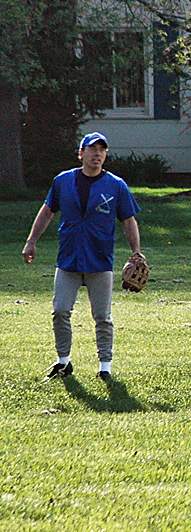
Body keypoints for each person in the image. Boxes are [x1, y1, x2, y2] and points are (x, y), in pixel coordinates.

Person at [22, 132, 143, 381]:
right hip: (69, 258)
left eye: (102, 150)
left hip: (100, 259)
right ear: (81, 153)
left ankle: (105, 367)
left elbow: (128, 220)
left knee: (102, 317)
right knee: (60, 311)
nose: (97, 154)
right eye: (92, 149)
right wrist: (31, 242)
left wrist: (136, 252)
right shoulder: (63, 181)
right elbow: (47, 212)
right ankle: (63, 362)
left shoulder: (116, 185)